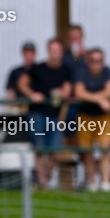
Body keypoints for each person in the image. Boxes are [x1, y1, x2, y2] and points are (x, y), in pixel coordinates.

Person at [18, 38, 72, 188]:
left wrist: (62, 93)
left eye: (57, 51)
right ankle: (42, 183)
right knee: (39, 149)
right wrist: (32, 95)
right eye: (52, 51)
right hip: (37, 113)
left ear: (61, 53)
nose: (55, 54)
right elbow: (22, 83)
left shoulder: (66, 70)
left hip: (55, 115)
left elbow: (68, 89)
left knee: (55, 151)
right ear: (48, 52)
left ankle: (44, 178)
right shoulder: (37, 68)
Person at [73, 48, 110, 191]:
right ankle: (91, 183)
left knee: (105, 149)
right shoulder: (81, 71)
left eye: (99, 61)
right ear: (88, 62)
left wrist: (93, 97)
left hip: (104, 117)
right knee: (87, 152)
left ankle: (105, 182)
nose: (96, 64)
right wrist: (100, 100)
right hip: (85, 116)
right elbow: (79, 93)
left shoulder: (108, 71)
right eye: (93, 61)